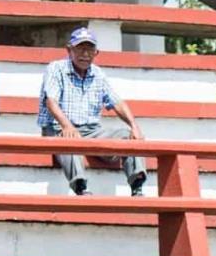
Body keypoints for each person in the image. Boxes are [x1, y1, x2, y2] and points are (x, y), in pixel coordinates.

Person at [38, 28, 147, 197]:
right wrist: (67, 126)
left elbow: (116, 102)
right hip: (59, 128)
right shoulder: (56, 68)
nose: (85, 54)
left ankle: (137, 185)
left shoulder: (98, 73)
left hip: (92, 130)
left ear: (96, 52)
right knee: (69, 141)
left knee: (128, 135)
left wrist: (134, 126)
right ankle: (80, 187)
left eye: (89, 49)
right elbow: (51, 101)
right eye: (80, 48)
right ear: (69, 50)